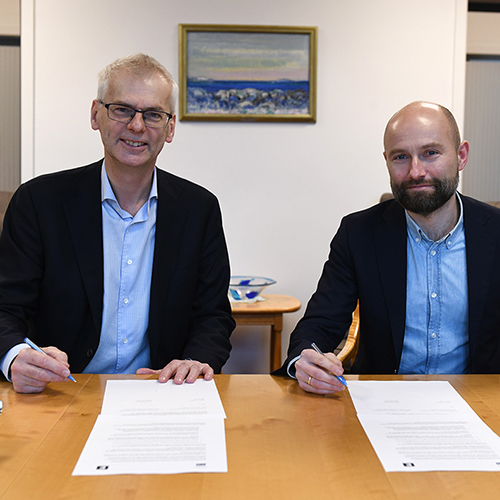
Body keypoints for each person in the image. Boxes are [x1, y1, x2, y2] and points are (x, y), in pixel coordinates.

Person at [0, 54, 235, 393]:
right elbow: (5, 306)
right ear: (96, 114)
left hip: (161, 392)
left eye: (153, 114)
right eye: (122, 109)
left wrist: (196, 360)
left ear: (170, 128)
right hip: (59, 391)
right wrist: (16, 355)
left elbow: (213, 315)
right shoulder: (39, 202)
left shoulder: (199, 209)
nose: (137, 126)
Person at [277, 101, 500, 394]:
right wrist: (303, 360)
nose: (415, 171)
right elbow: (320, 322)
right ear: (386, 161)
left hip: (480, 402)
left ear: (461, 156)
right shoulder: (359, 233)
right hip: (384, 402)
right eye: (400, 157)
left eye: (430, 153)